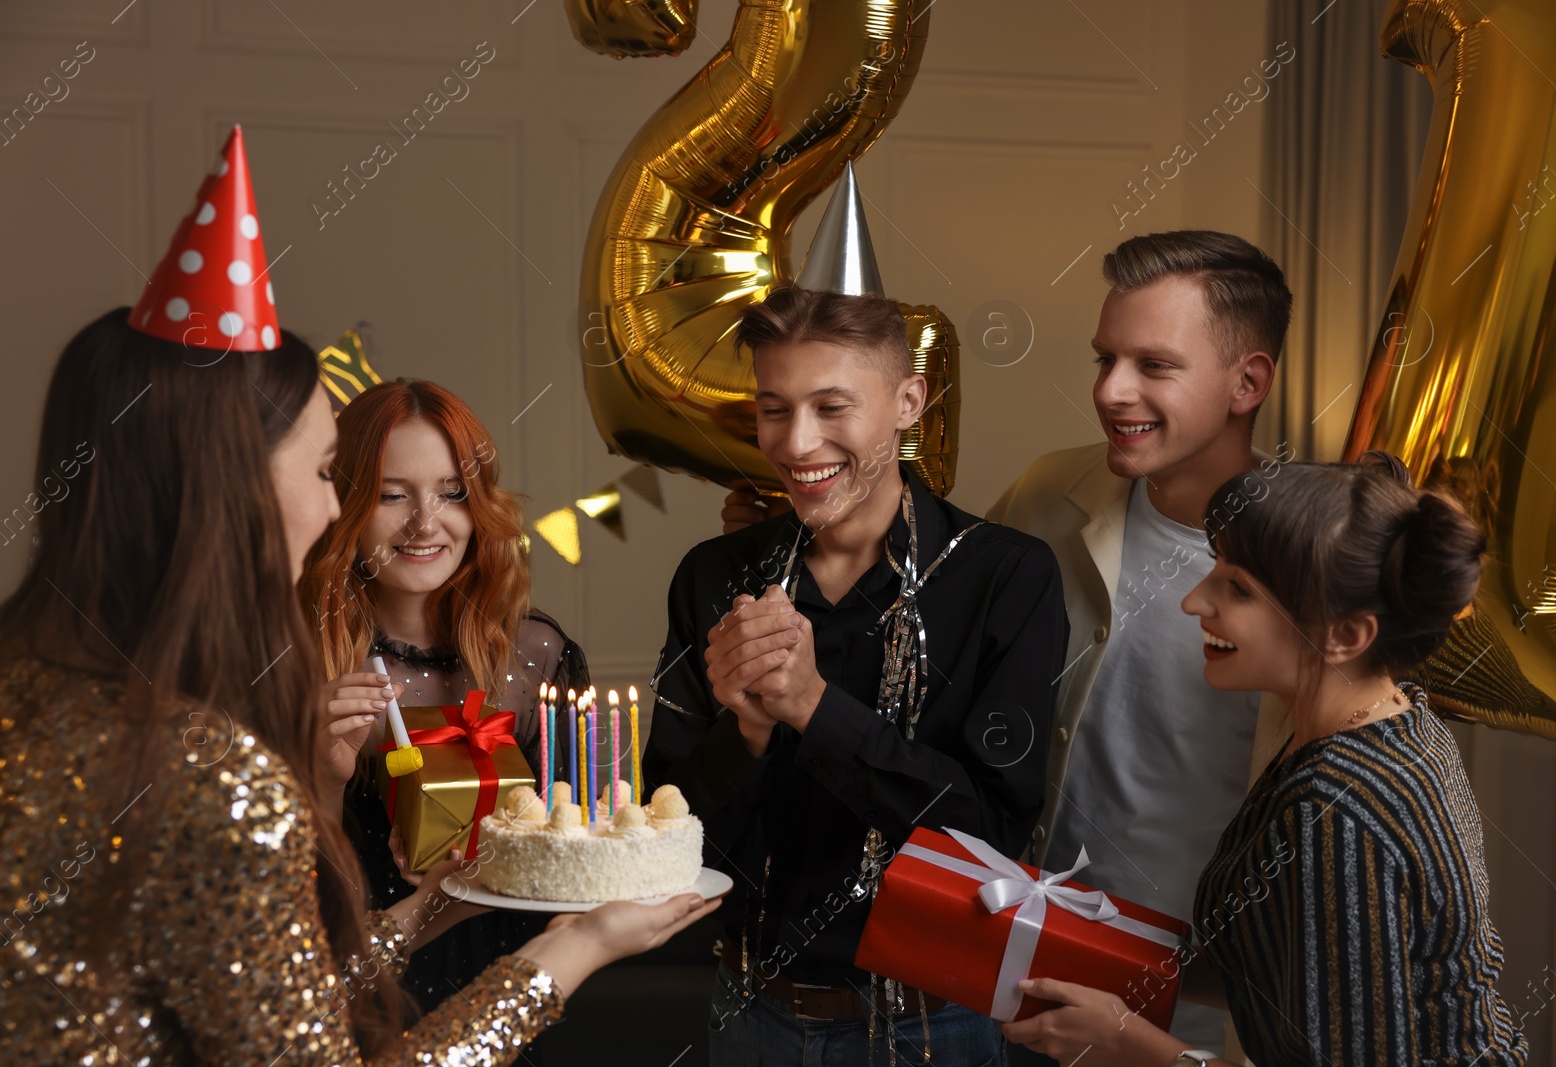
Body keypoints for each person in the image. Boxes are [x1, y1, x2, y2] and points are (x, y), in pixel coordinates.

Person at [0, 129, 716, 1065]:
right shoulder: (212, 774)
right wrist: (574, 947)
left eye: (450, 491)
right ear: (231, 492)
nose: (326, 505)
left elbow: (269, 989)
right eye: (332, 472)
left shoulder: (34, 693)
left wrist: (439, 901)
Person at [646, 283, 1067, 1065]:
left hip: (933, 1025)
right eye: (775, 409)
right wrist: (746, 731)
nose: (798, 443)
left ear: (908, 400)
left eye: (832, 407)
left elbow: (994, 834)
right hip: (749, 1012)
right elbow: (667, 831)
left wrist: (812, 705)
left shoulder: (1004, 577)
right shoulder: (714, 576)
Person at [1001, 456, 1529, 1067]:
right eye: (1215, 568)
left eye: (1239, 588)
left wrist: (1124, 1044)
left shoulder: (1340, 808)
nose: (1195, 601)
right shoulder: (1390, 720)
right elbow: (1287, 969)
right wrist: (1096, 948)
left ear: (1346, 635)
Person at [984, 231, 1294, 1054]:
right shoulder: (1047, 492)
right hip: (1019, 973)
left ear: (1247, 382)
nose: (1112, 390)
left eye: (1154, 365)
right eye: (1104, 359)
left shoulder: (1317, 569)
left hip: (1201, 1017)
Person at [298, 378, 589, 1013]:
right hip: (358, 983)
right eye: (391, 495)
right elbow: (275, 900)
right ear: (344, 505)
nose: (425, 523)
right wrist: (323, 779)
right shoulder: (295, 662)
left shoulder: (536, 654)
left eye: (453, 494)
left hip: (513, 976)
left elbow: (583, 845)